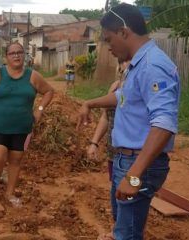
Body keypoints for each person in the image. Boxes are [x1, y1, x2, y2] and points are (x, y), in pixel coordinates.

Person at [76, 4, 180, 240]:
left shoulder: (153, 66)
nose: (108, 47)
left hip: (139, 164)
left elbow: (164, 123)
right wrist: (90, 103)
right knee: (122, 227)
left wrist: (134, 176)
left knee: (127, 234)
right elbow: (124, 97)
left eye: (109, 39)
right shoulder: (138, 64)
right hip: (126, 160)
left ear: (124, 32)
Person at [0, 42, 54, 207]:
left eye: (20, 52)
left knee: (16, 160)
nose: (16, 56)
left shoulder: (32, 76)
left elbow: (49, 91)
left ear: (24, 55)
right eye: (12, 53)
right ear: (7, 57)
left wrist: (39, 109)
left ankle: (10, 193)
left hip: (22, 127)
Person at [86, 60, 128, 240]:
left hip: (130, 153)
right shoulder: (114, 87)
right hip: (113, 152)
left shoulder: (138, 88)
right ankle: (117, 230)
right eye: (122, 63)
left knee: (128, 194)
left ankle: (126, 232)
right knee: (115, 192)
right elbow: (105, 117)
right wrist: (94, 142)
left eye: (128, 62)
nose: (124, 66)